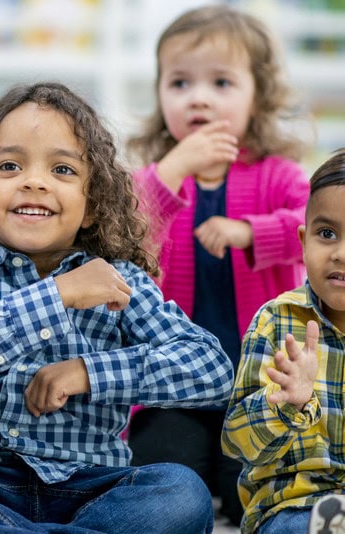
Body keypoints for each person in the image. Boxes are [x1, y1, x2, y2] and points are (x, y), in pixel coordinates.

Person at [0, 82, 235, 533]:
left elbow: (210, 369)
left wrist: (86, 372)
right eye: (9, 165)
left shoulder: (118, 280)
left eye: (61, 169)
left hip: (92, 489)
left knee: (182, 493)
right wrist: (58, 294)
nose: (34, 181)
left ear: (93, 205)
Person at [125, 5, 310, 526]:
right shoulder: (156, 177)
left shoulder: (279, 176)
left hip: (260, 384)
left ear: (259, 95)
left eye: (221, 82)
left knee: (256, 488)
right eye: (180, 82)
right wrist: (174, 168)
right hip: (170, 387)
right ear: (160, 95)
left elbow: (313, 225)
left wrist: (252, 231)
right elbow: (122, 234)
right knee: (163, 477)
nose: (198, 97)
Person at [221, 150, 345, 534]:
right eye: (327, 234)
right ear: (303, 241)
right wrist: (288, 404)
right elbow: (237, 443)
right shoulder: (276, 322)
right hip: (294, 506)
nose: (340, 254)